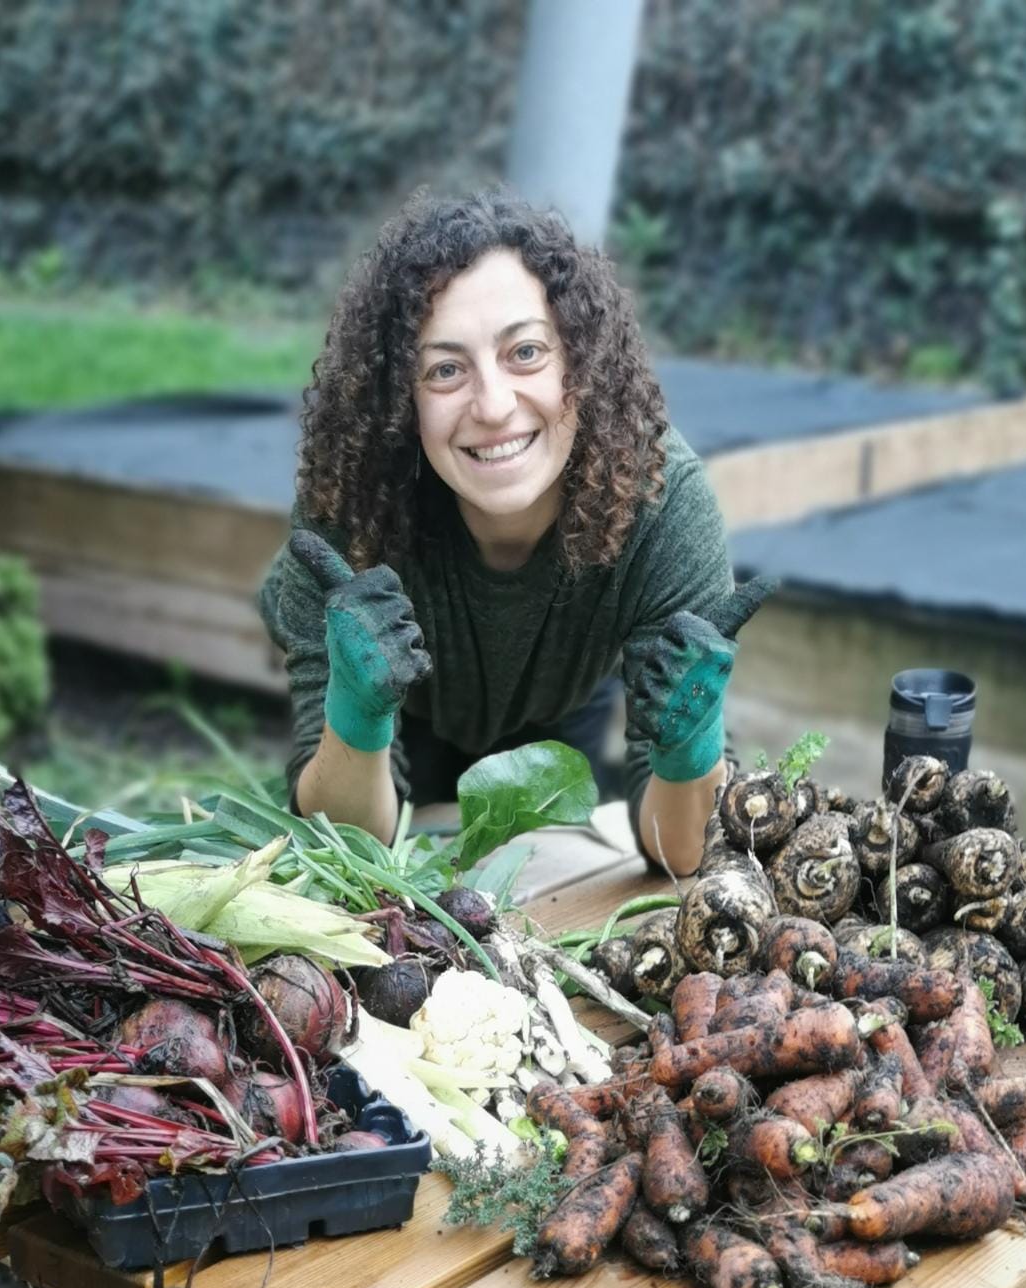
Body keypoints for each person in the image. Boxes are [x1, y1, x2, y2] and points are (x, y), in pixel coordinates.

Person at [258, 188, 775, 876]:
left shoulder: (660, 501)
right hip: (397, 715)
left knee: (555, 863)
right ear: (399, 398)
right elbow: (344, 844)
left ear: (580, 362)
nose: (494, 406)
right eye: (445, 369)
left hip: (564, 695)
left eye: (525, 352)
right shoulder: (354, 497)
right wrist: (354, 712)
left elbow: (681, 852)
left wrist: (691, 750)